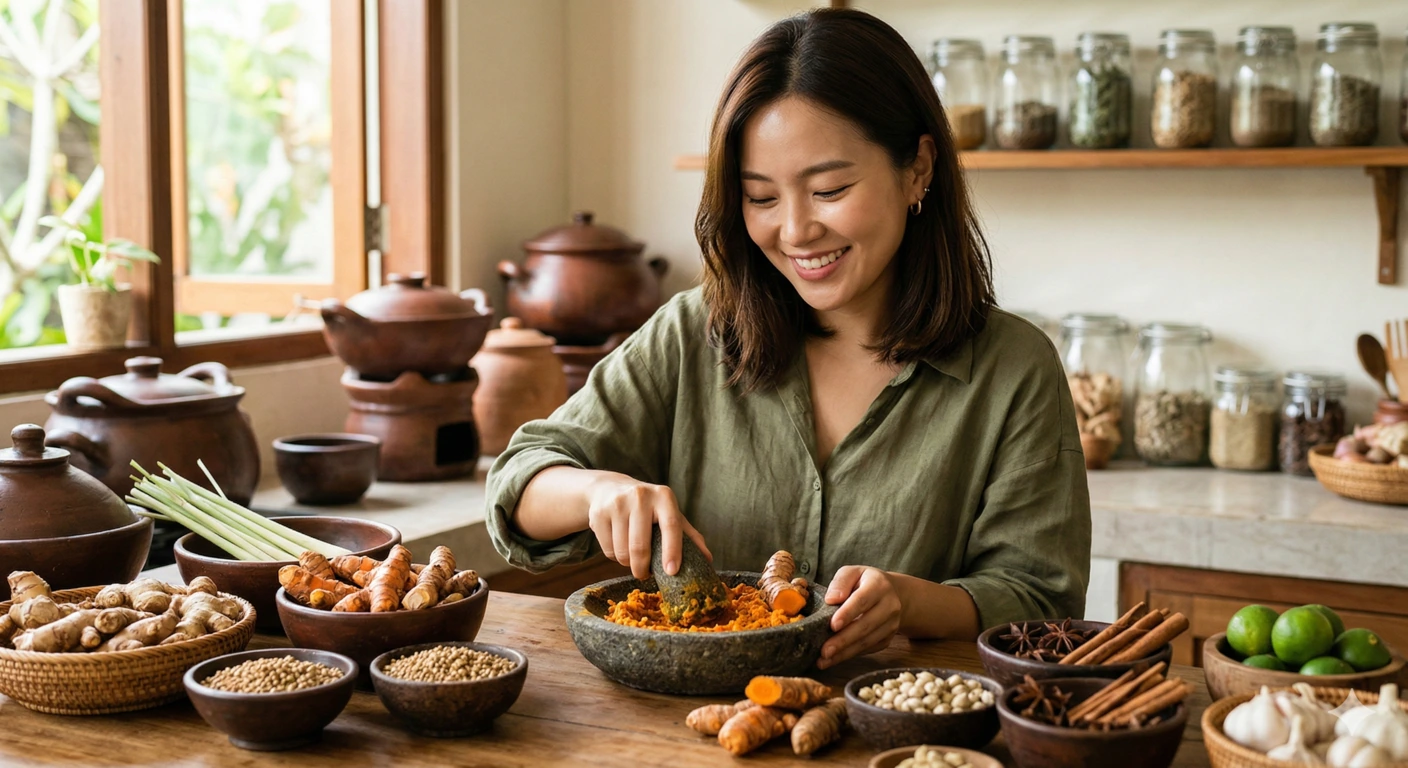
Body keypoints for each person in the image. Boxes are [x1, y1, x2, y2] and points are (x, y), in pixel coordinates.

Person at [486, 8, 1090, 670]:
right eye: (762, 198)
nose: (796, 231)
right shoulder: (696, 333)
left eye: (829, 188)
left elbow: (1039, 598)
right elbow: (519, 481)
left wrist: (911, 603)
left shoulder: (1014, 371)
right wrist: (596, 491)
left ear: (918, 169)